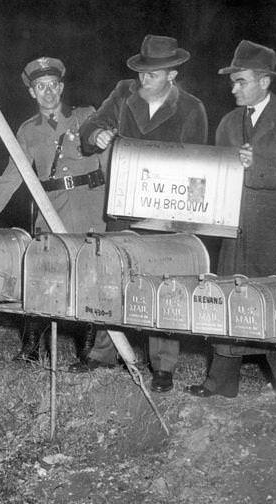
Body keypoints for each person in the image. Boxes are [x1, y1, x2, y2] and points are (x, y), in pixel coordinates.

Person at [77, 35, 208, 391]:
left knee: (165, 284)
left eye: (153, 73)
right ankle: (104, 353)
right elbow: (87, 129)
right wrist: (98, 135)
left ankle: (163, 365)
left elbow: (198, 167)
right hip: (122, 206)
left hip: (165, 211)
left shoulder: (192, 109)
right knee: (112, 276)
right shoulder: (122, 93)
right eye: (142, 72)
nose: (144, 79)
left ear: (173, 75)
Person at [0, 57, 107, 366]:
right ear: (32, 93)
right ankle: (30, 349)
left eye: (52, 86)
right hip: (52, 209)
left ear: (61, 87)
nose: (47, 93)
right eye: (40, 87)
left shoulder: (86, 116)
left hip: (90, 208)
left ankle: (88, 352)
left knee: (90, 278)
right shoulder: (28, 131)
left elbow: (110, 156)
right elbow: (12, 174)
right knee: (43, 277)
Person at [185, 40, 276, 414]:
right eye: (233, 82)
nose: (234, 88)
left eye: (241, 81)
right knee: (230, 303)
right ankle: (220, 384)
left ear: (264, 82)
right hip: (234, 232)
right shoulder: (229, 123)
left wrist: (256, 165)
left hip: (275, 234)